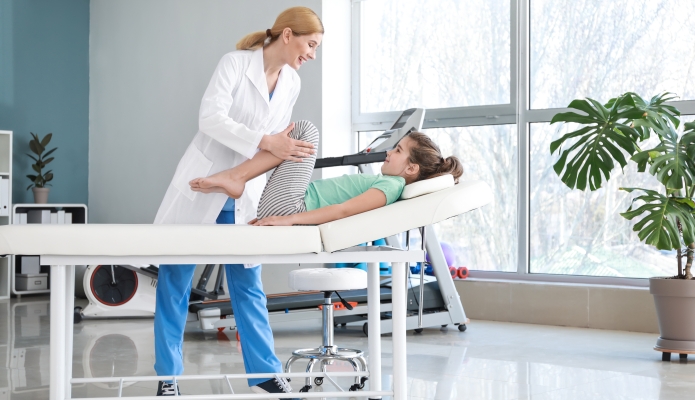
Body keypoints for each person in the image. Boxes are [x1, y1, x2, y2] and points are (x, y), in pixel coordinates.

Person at [152, 7, 323, 399]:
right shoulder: (234, 63)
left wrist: (272, 149)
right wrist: (265, 141)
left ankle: (264, 372)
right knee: (175, 280)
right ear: (287, 35)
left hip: (244, 191)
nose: (312, 54)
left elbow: (280, 141)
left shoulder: (291, 82)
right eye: (310, 44)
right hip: (202, 184)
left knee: (248, 283)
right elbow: (209, 118)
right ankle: (168, 377)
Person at [190, 130, 464, 226]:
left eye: (399, 150)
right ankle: (235, 180)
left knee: (306, 132)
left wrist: (289, 219)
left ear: (411, 169)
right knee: (299, 136)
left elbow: (342, 210)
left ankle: (236, 177)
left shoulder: (390, 186)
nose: (390, 152)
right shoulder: (390, 183)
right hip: (289, 204)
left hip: (291, 207)